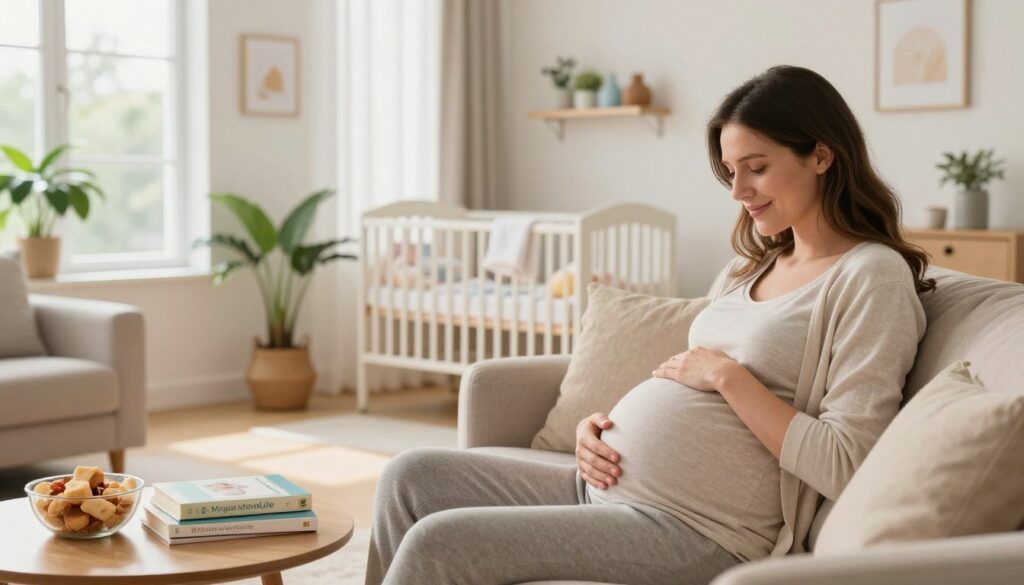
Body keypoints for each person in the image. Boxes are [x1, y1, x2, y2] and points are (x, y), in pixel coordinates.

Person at [364, 65, 933, 585]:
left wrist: (730, 376)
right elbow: (684, 384)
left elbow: (848, 462)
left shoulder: (869, 277)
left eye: (757, 168)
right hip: (601, 487)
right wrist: (597, 428)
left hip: (701, 532)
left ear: (821, 156)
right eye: (731, 172)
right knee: (408, 476)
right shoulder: (748, 266)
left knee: (442, 544)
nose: (738, 191)